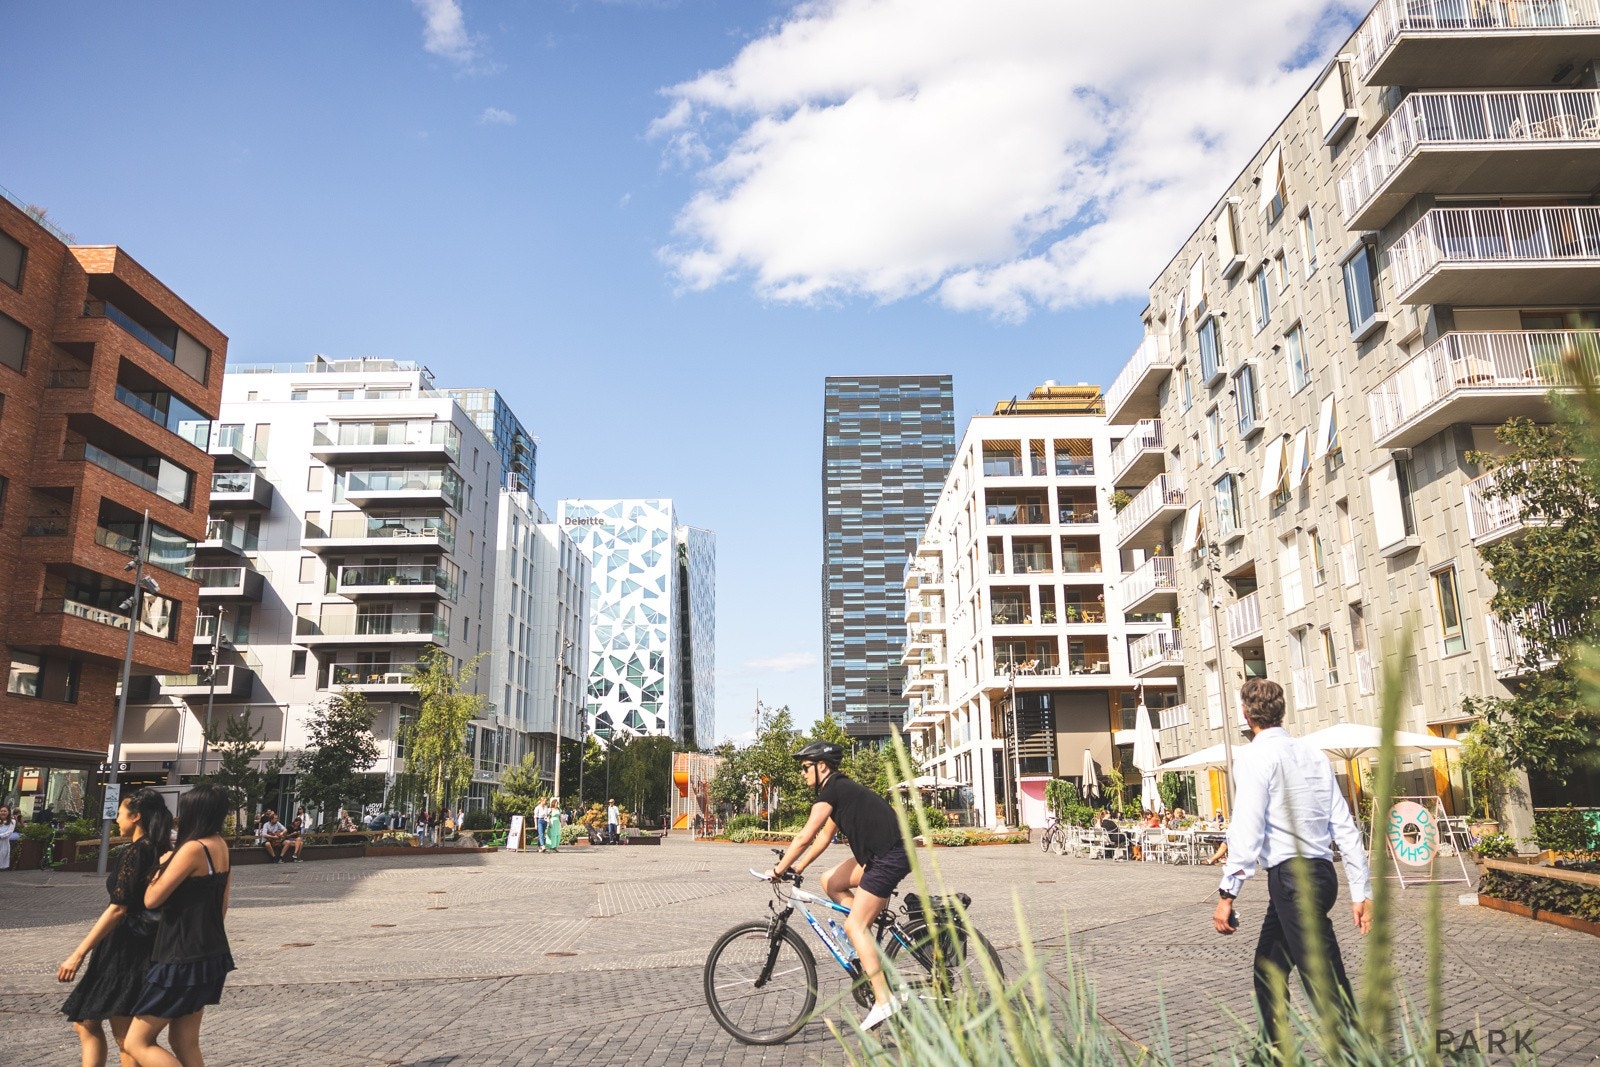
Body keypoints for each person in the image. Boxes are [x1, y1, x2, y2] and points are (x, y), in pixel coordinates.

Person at [1212, 678, 1372, 1055]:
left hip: (1291, 879)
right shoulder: (1313, 755)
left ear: (1246, 714)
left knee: (1322, 974)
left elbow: (1247, 830)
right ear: (1281, 710)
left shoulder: (1254, 757)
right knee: (1269, 966)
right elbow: (1344, 826)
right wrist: (1360, 890)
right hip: (1321, 874)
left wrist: (1227, 894)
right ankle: (1272, 1053)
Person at [767, 741, 912, 1032]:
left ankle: (884, 1001)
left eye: (806, 767)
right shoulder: (837, 791)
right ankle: (866, 935)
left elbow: (806, 836)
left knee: (854, 927)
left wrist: (778, 870)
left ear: (822, 766)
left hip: (889, 858)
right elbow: (822, 839)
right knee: (830, 881)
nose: (803, 773)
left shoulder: (834, 790)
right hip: (882, 855)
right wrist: (799, 867)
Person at [58, 788, 172, 1067]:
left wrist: (78, 953)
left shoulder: (137, 851)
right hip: (137, 947)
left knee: (123, 1036)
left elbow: (118, 908)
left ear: (136, 817)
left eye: (120, 814)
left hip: (125, 950)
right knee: (92, 1023)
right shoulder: (160, 849)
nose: (116, 820)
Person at [124, 784, 235, 1067]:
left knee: (137, 1042)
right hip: (211, 952)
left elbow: (152, 899)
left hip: (180, 955)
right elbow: (223, 904)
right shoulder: (220, 845)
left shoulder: (192, 849)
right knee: (184, 1041)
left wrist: (160, 866)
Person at [0, 804, 16, 872]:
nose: (3, 812)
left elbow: (9, 833)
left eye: (5, 811)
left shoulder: (12, 822)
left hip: (3, 844)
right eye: (1, 811)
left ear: (8, 812)